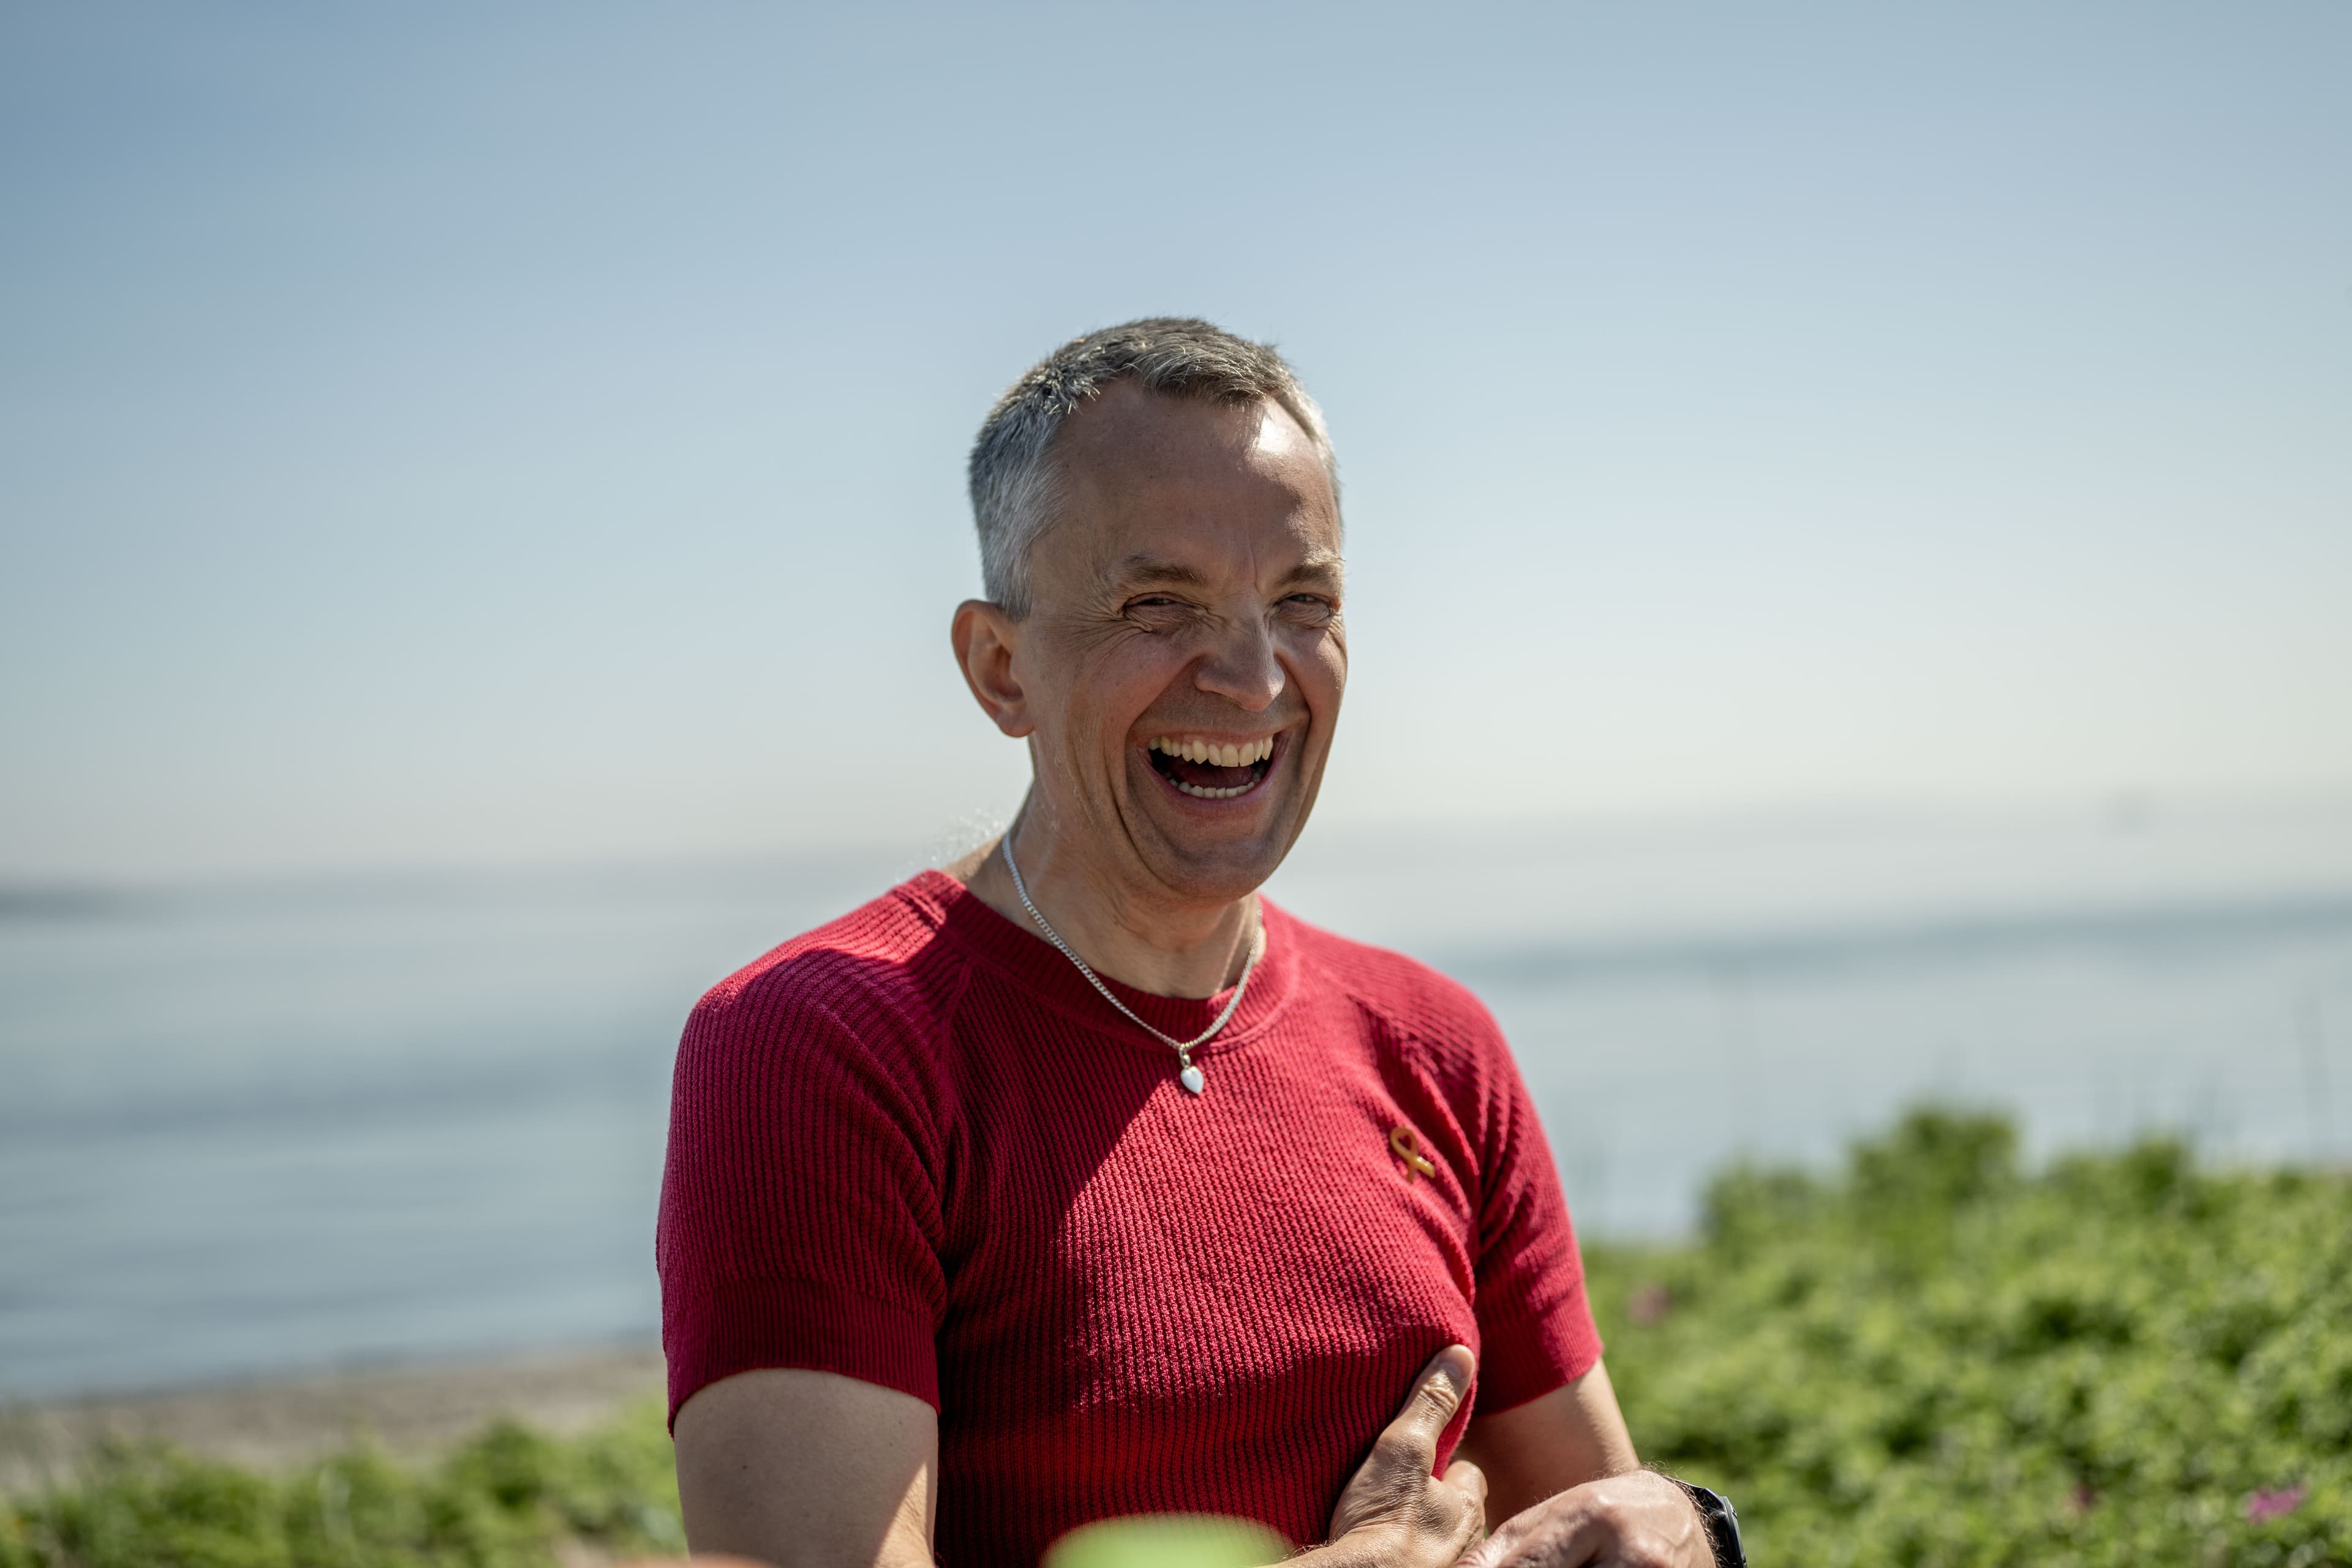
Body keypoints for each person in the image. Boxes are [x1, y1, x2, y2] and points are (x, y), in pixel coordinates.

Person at [657, 320, 1737, 1568]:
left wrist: (1684, 1521)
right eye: (1158, 602)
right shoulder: (820, 1045)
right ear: (1000, 666)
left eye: (1301, 601)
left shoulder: (1435, 1044)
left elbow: (1598, 1521)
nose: (1249, 674)